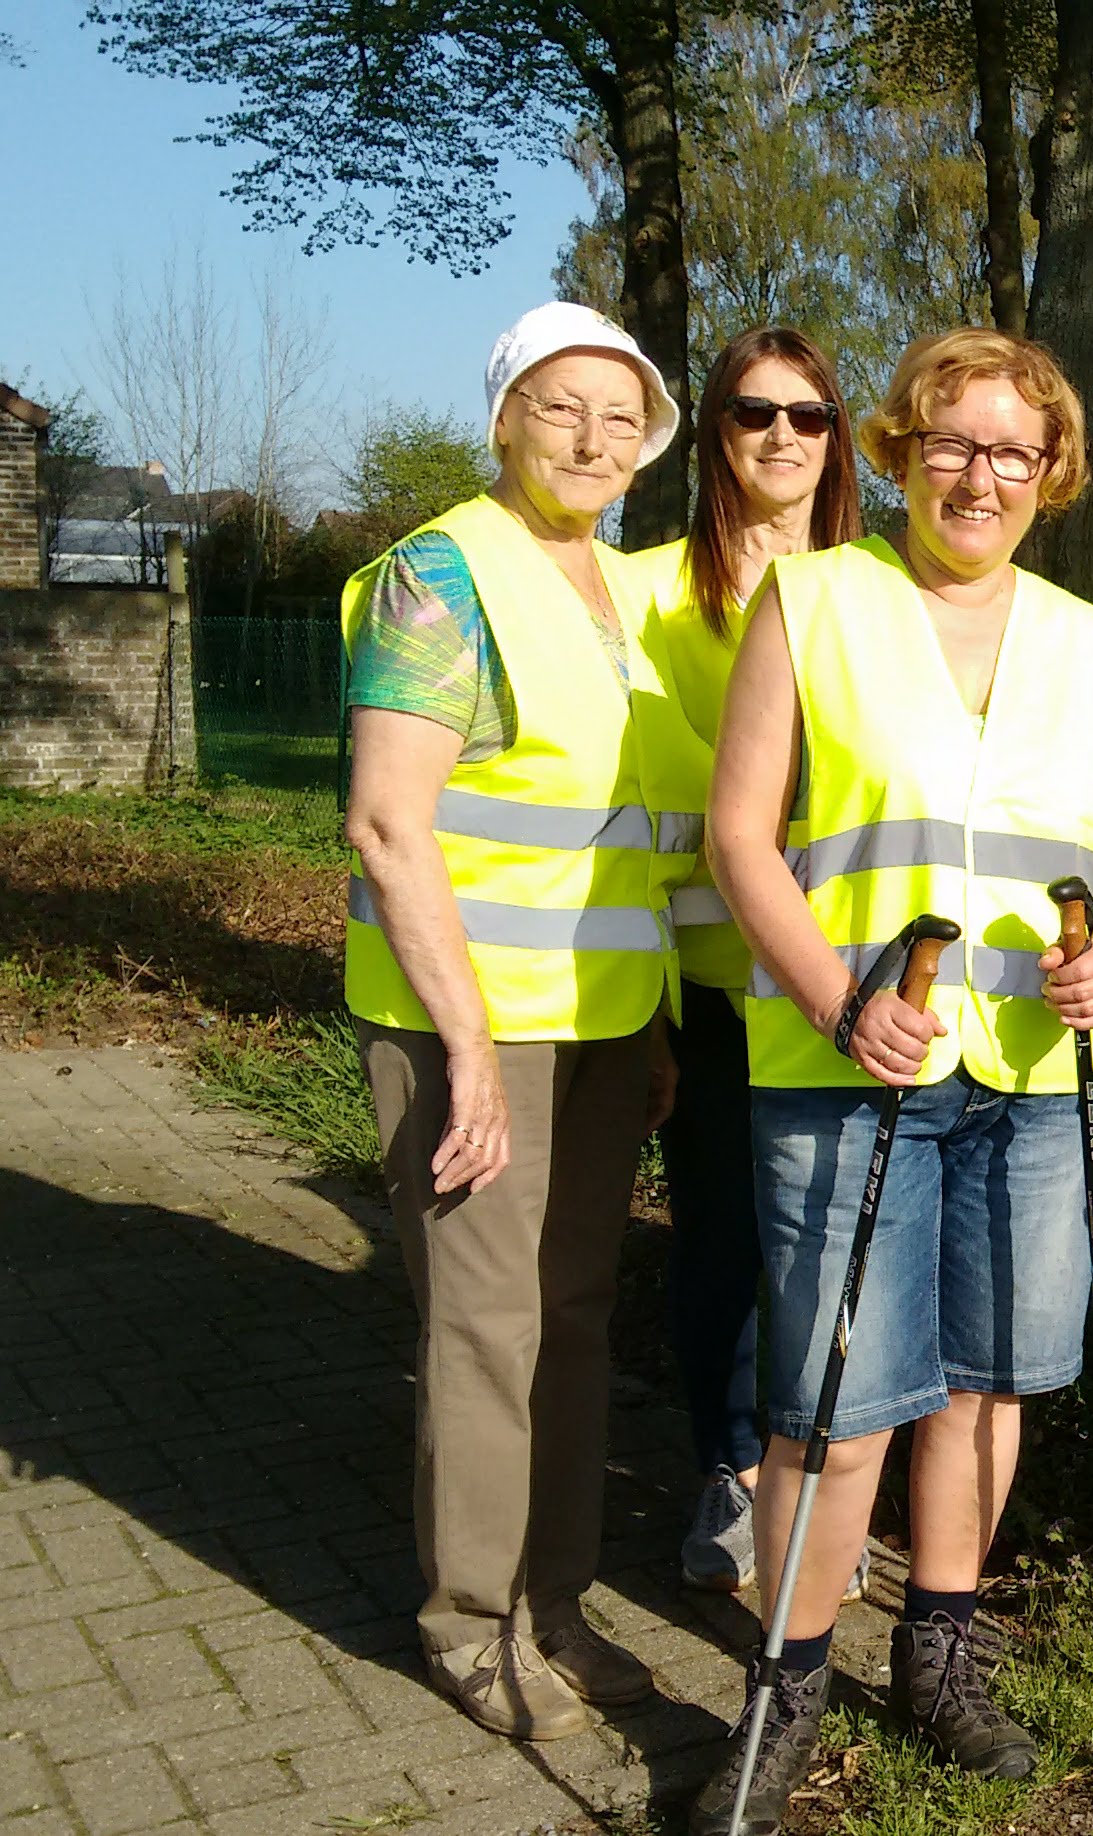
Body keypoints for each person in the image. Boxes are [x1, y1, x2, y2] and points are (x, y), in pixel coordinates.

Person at [695, 327, 1093, 1829]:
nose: (980, 475)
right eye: (951, 443)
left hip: (1032, 1073)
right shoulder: (815, 600)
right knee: (836, 1405)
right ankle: (784, 1691)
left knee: (982, 1389)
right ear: (897, 449)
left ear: (1052, 476)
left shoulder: (1080, 635)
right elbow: (740, 839)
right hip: (854, 1062)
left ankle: (940, 1656)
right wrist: (838, 998)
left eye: (1012, 452)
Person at [341, 301, 686, 1741]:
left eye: (623, 416)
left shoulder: (624, 589)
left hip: (604, 1027)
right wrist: (468, 1053)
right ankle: (467, 1626)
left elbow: (629, 837)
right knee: (486, 1327)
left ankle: (556, 1602)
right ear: (504, 418)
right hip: (469, 1030)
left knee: (575, 1319)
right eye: (562, 408)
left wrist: (654, 1023)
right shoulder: (442, 576)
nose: (594, 439)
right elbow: (386, 819)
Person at [628, 328, 865, 1594]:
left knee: (830, 1243)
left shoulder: (880, 590)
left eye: (811, 415)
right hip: (715, 984)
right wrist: (656, 1010)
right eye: (753, 414)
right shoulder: (649, 594)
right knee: (724, 1236)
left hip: (852, 986)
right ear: (714, 434)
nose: (783, 436)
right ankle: (725, 1471)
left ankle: (826, 1468)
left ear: (839, 440)